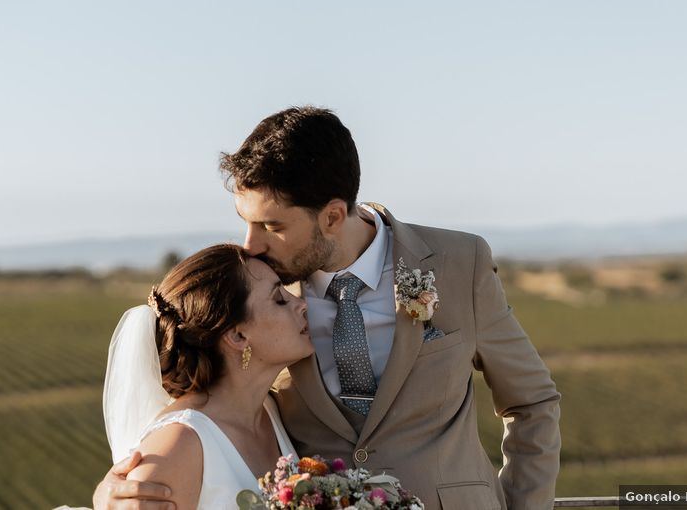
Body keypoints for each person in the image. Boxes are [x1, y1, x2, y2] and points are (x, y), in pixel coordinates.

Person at [94, 107, 561, 510]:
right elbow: (204, 408)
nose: (249, 245)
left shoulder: (460, 262)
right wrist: (117, 487)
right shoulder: (259, 297)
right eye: (245, 221)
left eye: (271, 225)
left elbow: (532, 401)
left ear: (333, 216)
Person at [99, 244, 312, 510]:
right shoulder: (178, 446)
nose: (301, 304)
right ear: (237, 336)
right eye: (279, 299)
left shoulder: (271, 410)